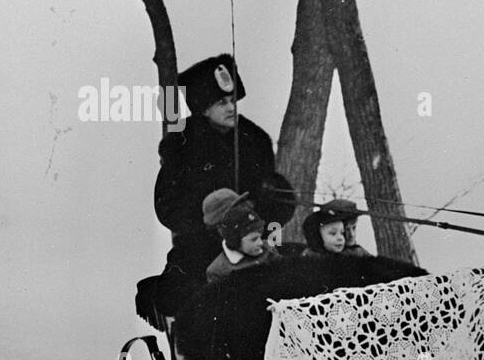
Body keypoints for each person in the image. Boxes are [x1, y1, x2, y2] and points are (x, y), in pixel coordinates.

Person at [153, 54, 296, 301]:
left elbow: (278, 205)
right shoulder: (181, 144)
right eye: (221, 102)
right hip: (201, 249)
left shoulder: (255, 139)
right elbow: (167, 206)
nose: (231, 108)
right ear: (203, 108)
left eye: (233, 100)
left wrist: (269, 198)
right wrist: (210, 223)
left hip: (253, 246)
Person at [204, 190, 279, 281]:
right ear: (222, 227)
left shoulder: (268, 247)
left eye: (244, 206)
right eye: (237, 212)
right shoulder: (218, 269)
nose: (246, 212)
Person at [303, 199, 372, 258]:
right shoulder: (314, 254)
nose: (352, 234)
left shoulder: (358, 252)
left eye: (354, 228)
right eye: (346, 230)